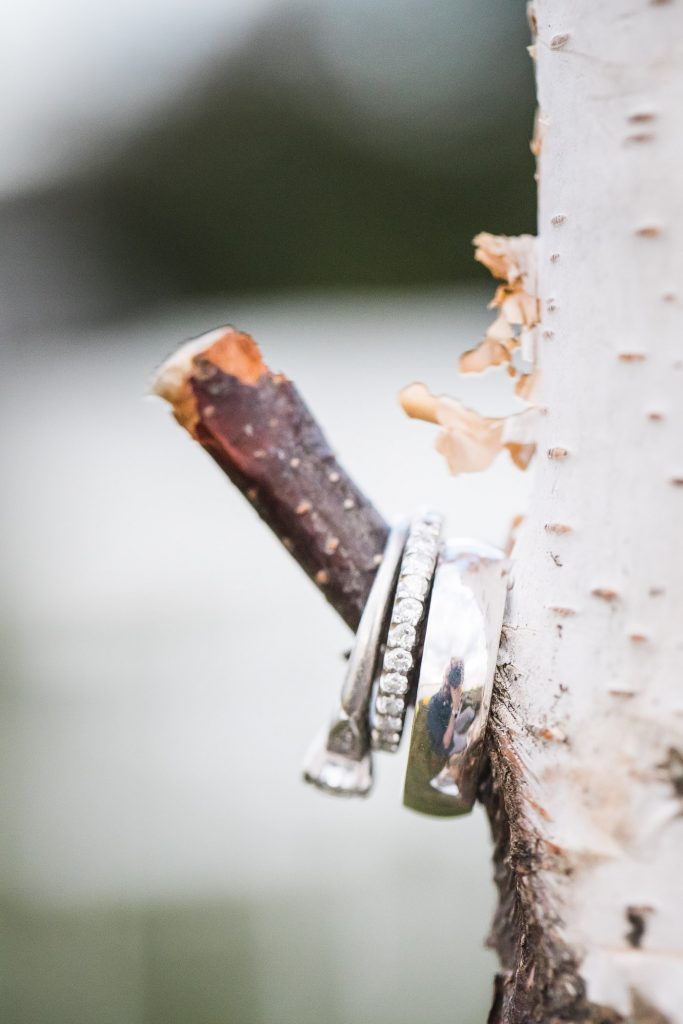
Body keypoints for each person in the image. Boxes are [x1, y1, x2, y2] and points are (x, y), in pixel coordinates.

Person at [426, 659, 474, 758]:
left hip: (450, 727)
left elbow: (454, 719)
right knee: (470, 738)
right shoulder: (435, 703)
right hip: (447, 745)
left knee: (470, 712)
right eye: (449, 674)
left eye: (456, 673)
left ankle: (472, 723)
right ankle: (466, 738)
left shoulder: (453, 693)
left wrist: (457, 696)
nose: (453, 678)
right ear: (444, 676)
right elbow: (445, 743)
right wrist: (455, 708)